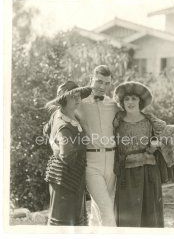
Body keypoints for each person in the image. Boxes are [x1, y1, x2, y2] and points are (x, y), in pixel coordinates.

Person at [112, 81, 174, 227]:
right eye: (126, 99)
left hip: (149, 174)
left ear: (140, 101)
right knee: (127, 218)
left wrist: (158, 143)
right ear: (122, 101)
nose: (130, 102)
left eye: (134, 98)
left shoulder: (151, 121)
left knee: (150, 217)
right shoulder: (116, 121)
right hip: (126, 175)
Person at [75, 65, 119, 226]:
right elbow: (60, 116)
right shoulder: (79, 104)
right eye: (99, 81)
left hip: (112, 160)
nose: (102, 86)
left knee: (100, 207)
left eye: (107, 83)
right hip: (92, 161)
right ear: (91, 79)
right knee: (107, 210)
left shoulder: (114, 105)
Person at [43, 81, 91, 226]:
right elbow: (67, 157)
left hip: (70, 176)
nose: (78, 99)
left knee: (73, 221)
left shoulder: (62, 115)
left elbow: (46, 130)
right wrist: (59, 147)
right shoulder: (64, 126)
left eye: (78, 95)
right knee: (63, 223)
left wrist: (52, 143)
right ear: (63, 100)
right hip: (65, 178)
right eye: (73, 96)